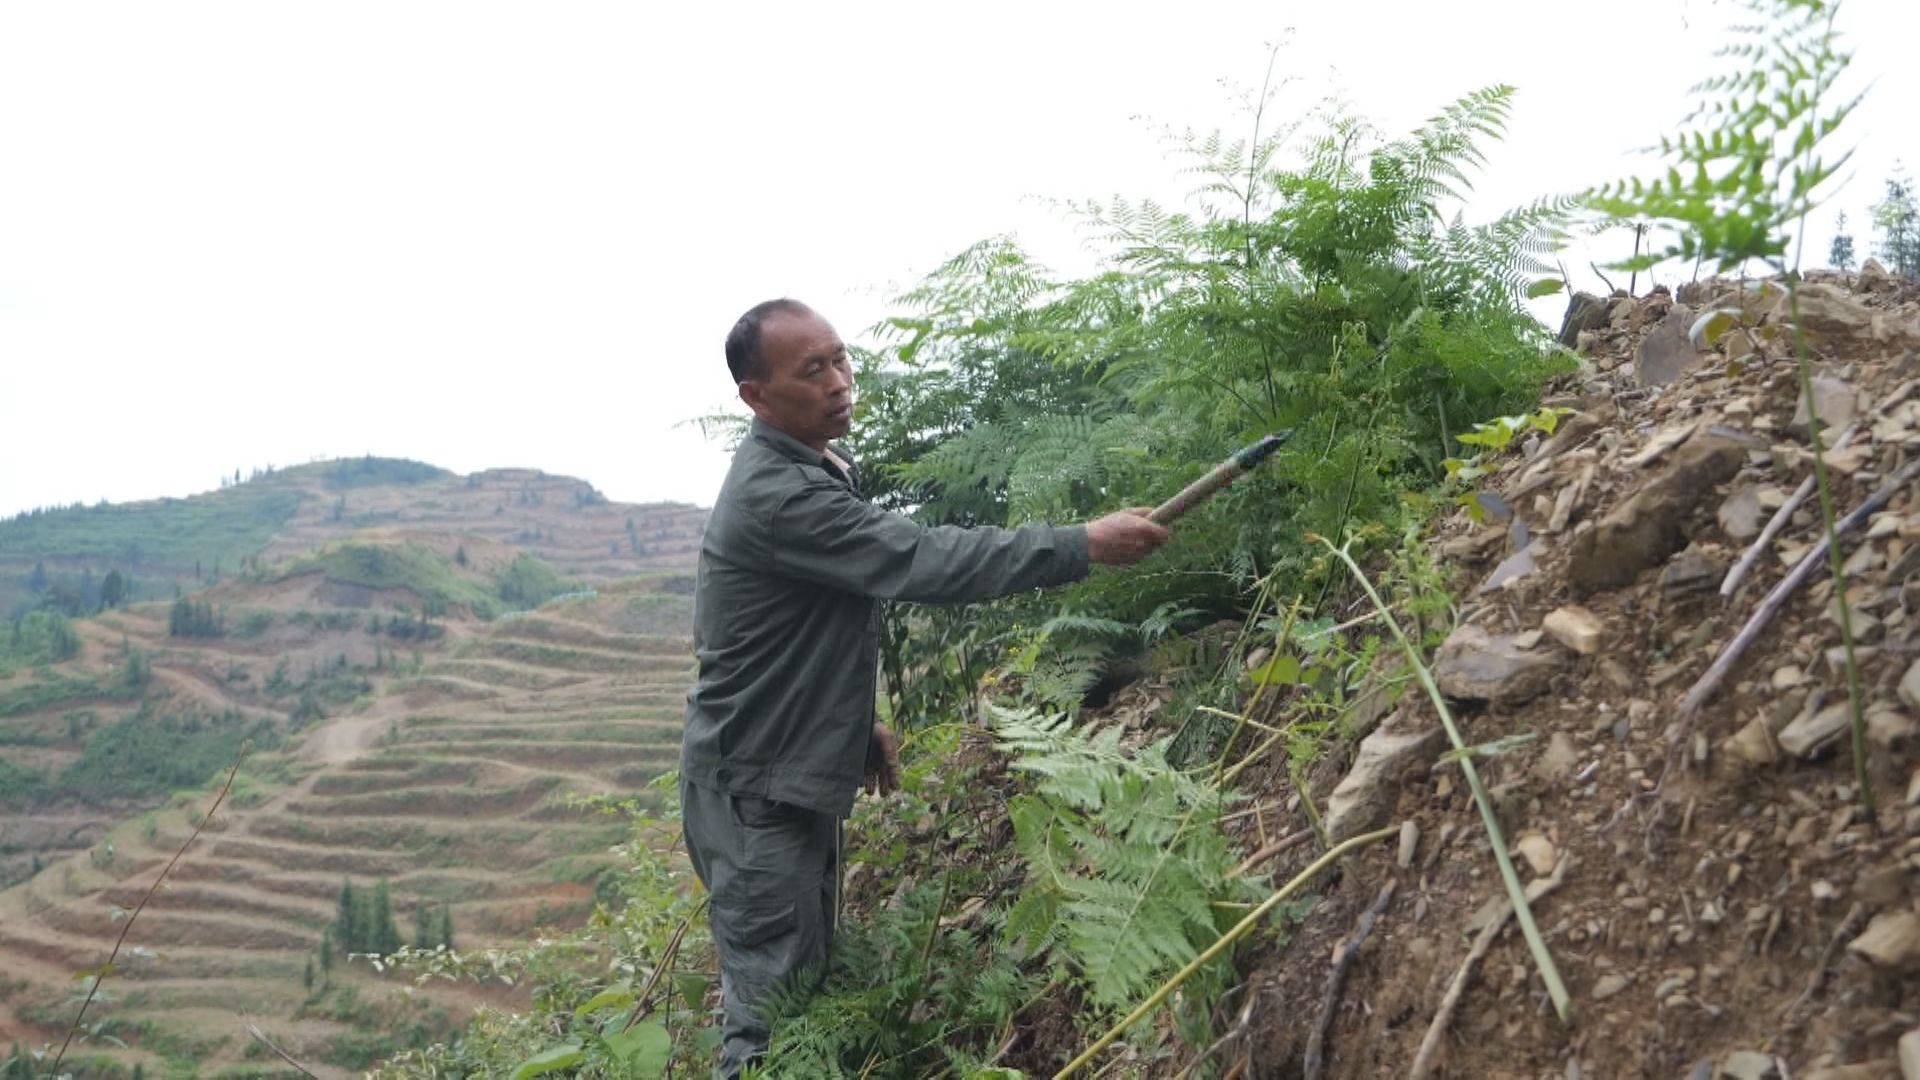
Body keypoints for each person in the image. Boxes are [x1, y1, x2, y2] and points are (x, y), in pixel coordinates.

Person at [680, 298, 1170, 1077]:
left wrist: (851, 722)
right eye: (813, 370)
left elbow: (779, 635)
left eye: (842, 360)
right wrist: (1081, 545)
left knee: (800, 991)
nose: (840, 382)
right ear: (756, 396)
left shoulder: (804, 467)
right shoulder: (781, 495)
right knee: (772, 1026)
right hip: (755, 795)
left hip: (775, 774)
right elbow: (923, 559)